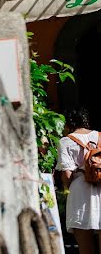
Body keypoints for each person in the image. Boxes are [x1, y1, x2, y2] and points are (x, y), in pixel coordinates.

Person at [56, 107, 100, 253]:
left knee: (85, 248)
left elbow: (67, 173)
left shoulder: (66, 141)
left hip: (80, 191)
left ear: (68, 123)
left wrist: (65, 189)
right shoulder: (100, 136)